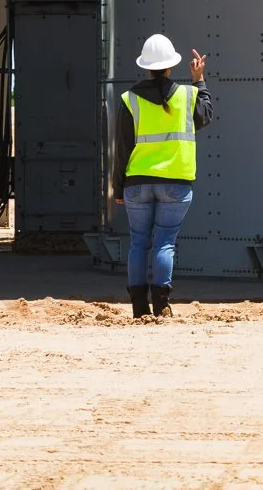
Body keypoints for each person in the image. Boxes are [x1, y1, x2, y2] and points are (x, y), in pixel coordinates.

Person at [113, 33, 213, 318]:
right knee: (164, 242)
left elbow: (122, 148)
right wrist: (199, 79)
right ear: (171, 66)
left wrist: (118, 188)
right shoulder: (188, 95)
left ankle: (138, 307)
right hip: (176, 183)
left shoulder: (129, 100)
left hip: (137, 184)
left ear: (146, 66)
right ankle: (161, 304)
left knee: (139, 242)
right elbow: (206, 116)